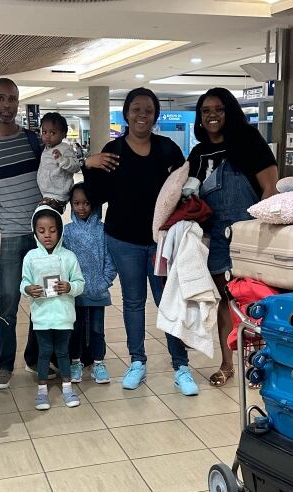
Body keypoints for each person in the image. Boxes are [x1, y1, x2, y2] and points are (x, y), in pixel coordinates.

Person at [83, 87, 199, 396]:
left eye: (148, 109)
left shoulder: (167, 150)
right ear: (126, 114)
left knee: (168, 300)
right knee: (133, 302)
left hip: (162, 241)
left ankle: (181, 365)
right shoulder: (114, 150)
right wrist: (88, 165)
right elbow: (96, 196)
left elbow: (184, 190)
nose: (141, 115)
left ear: (155, 114)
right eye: (136, 109)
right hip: (123, 240)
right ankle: (137, 361)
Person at [187, 87, 278, 387]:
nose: (212, 115)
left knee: (255, 299)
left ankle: (260, 363)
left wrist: (259, 228)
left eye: (218, 109)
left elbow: (270, 186)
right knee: (226, 300)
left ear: (229, 112)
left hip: (250, 233)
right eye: (205, 110)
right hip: (215, 235)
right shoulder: (198, 153)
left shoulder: (248, 141)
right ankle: (228, 364)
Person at [0, 77, 49, 389]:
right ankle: (3, 363)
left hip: (44, 236)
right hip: (13, 235)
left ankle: (35, 358)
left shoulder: (33, 141)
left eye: (12, 99)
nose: (7, 105)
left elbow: (53, 174)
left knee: (45, 299)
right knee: (8, 300)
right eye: (1, 98)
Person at [21, 206, 85, 410]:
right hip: (41, 316)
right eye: (41, 231)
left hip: (64, 316)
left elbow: (80, 283)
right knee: (44, 352)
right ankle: (41, 391)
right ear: (35, 232)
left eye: (52, 230)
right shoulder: (30, 257)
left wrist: (70, 287)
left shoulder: (69, 257)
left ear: (60, 231)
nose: (47, 235)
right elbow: (23, 282)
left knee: (63, 352)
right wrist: (28, 289)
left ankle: (67, 388)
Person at [62, 183, 116, 384]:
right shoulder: (66, 232)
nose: (82, 207)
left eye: (86, 203)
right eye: (77, 203)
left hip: (98, 292)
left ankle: (98, 362)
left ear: (93, 204)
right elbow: (63, 261)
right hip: (75, 293)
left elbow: (111, 260)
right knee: (75, 329)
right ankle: (75, 361)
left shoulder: (103, 230)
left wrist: (104, 282)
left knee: (97, 329)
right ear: (71, 205)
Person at [37, 112, 81, 213]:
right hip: (46, 194)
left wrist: (62, 160)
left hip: (59, 194)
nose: (47, 136)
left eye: (52, 133)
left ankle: (59, 205)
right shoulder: (46, 148)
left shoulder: (65, 148)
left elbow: (76, 166)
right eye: (44, 132)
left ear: (63, 134)